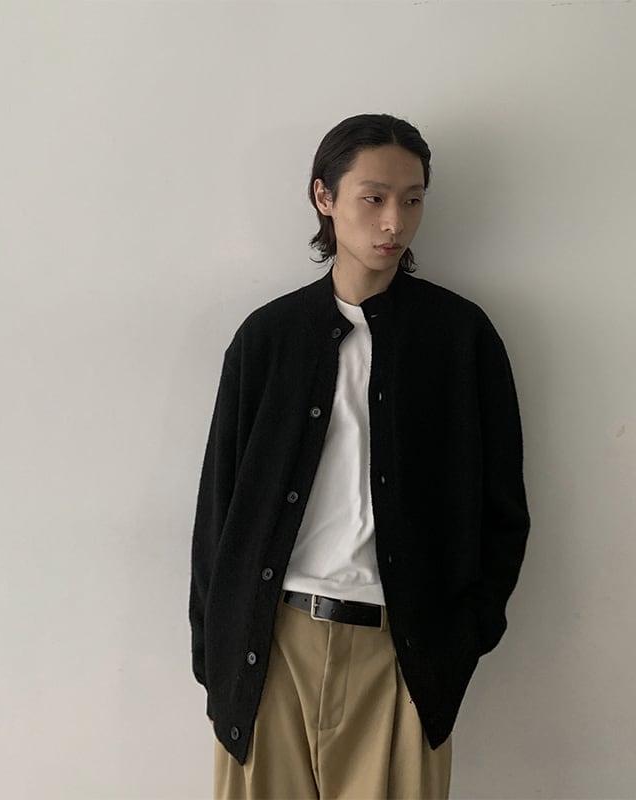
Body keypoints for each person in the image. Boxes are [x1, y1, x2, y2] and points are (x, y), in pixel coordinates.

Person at [189, 113, 530, 799]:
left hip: (402, 654)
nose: (394, 222)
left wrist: (461, 638)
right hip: (268, 649)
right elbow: (219, 510)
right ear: (325, 196)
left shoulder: (460, 339)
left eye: (413, 199)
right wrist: (216, 653)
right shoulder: (268, 339)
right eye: (373, 197)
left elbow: (503, 510)